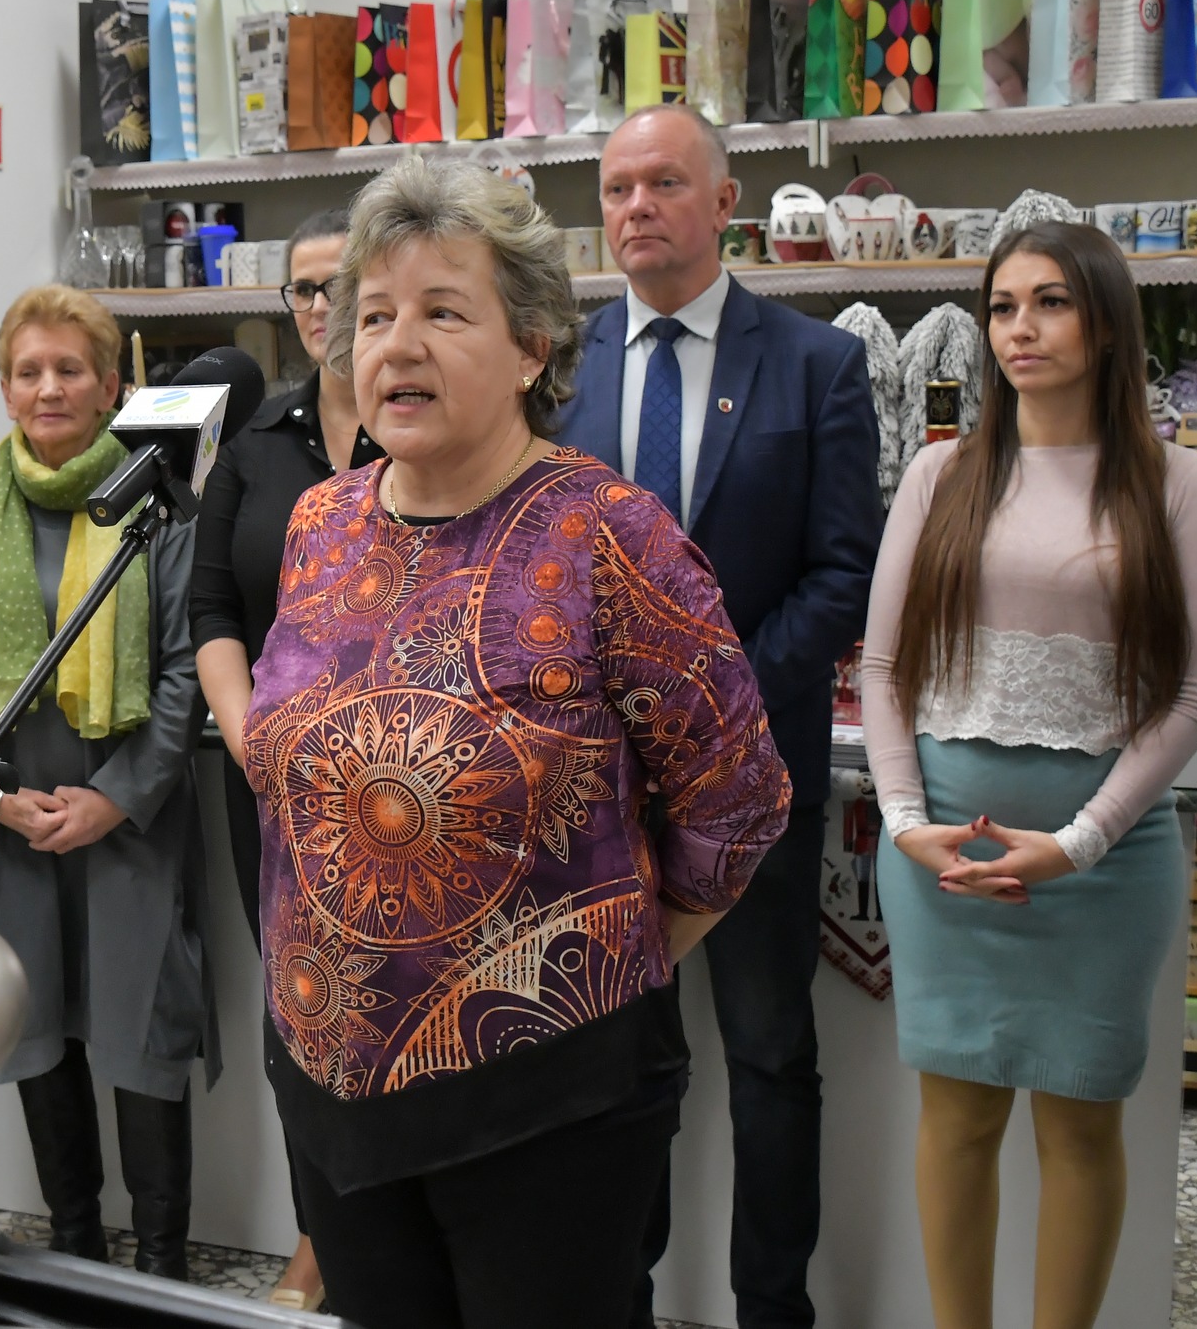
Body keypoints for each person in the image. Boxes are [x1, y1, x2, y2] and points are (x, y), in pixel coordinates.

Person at [242, 153, 792, 1329]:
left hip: (548, 1099)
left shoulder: (608, 533)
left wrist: (609, 954)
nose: (397, 345)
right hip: (330, 1084)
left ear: (531, 347)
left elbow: (736, 797)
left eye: (443, 312)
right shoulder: (320, 523)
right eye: (373, 315)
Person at [861, 222, 1197, 1328]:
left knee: (1079, 1123)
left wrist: (1078, 843)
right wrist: (903, 821)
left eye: (1050, 302)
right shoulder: (941, 474)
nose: (1018, 327)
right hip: (944, 860)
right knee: (956, 1118)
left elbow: (1189, 697)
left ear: (1106, 322)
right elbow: (882, 668)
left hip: (1104, 867)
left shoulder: (1176, 484)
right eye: (1002, 306)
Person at [555, 104, 884, 1329]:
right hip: (593, 787)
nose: (635, 206)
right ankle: (615, 1297)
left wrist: (717, 702)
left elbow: (842, 571)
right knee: (614, 1065)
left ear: (723, 202)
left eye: (661, 182)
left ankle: (771, 1307)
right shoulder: (561, 364)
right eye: (615, 188)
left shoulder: (812, 364)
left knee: (767, 1054)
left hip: (751, 782)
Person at [0, 284, 215, 1280]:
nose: (49, 388)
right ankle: (76, 1257)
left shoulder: (156, 503)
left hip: (127, 821)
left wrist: (116, 796)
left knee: (138, 1030)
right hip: (10, 826)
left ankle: (161, 1269)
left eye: (69, 369)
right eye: (29, 370)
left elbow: (184, 672)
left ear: (109, 385)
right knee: (34, 1026)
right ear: (5, 388)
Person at [189, 206, 381, 1313]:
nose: (320, 308)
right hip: (267, 781)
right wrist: (246, 731)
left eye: (338, 283)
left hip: (398, 784)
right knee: (298, 1014)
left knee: (391, 1007)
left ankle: (375, 1240)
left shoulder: (423, 426)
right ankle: (319, 1235)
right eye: (302, 289)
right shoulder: (256, 441)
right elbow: (213, 603)